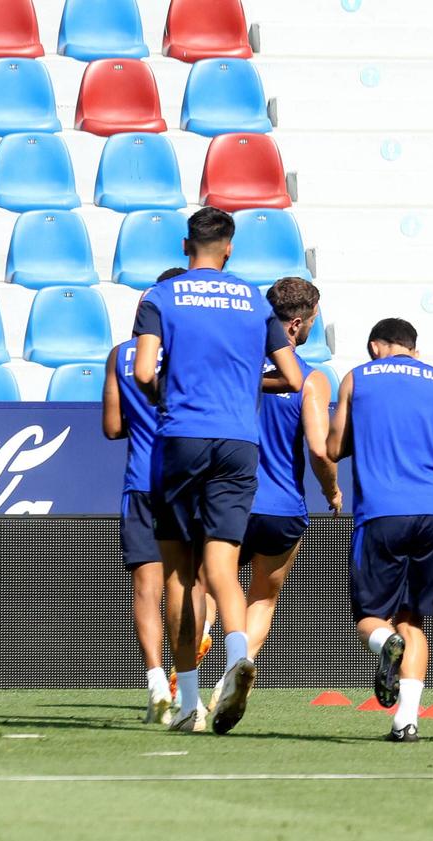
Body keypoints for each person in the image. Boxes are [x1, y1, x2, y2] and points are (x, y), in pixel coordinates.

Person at [131, 208, 307, 734]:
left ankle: (188, 703)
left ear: (188, 245)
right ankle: (236, 655)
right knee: (223, 567)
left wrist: (174, 394)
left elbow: (143, 370)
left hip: (182, 437)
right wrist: (244, 388)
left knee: (181, 572)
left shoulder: (161, 297)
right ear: (229, 249)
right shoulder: (254, 299)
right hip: (238, 442)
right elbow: (294, 376)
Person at [327, 318, 433, 743]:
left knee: (370, 617)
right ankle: (406, 722)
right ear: (413, 348)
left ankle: (384, 648)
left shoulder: (357, 378)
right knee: (413, 619)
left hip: (381, 511)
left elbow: (332, 448)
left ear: (376, 346)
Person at [103, 267, 206, 724]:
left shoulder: (120, 355)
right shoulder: (194, 350)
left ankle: (153, 683)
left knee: (146, 588)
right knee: (190, 584)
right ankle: (187, 689)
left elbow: (110, 427)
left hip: (140, 482)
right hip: (187, 479)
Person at [237, 278, 341, 664]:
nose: (314, 326)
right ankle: (237, 669)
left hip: (230, 500)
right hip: (281, 508)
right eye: (313, 319)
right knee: (262, 597)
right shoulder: (311, 379)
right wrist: (332, 490)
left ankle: (199, 648)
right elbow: (319, 448)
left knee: (211, 586)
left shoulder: (238, 365)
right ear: (296, 324)